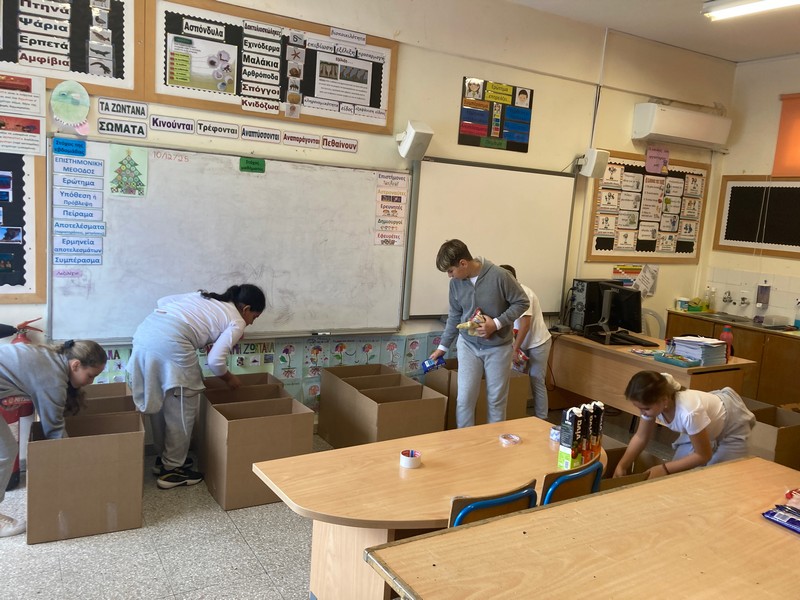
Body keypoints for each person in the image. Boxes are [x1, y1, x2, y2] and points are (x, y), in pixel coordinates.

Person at [127, 284, 265, 490]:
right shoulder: (236, 320)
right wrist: (229, 378)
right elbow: (215, 361)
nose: (251, 323)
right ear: (246, 309)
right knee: (183, 407)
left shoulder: (205, 298)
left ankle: (164, 460)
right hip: (172, 342)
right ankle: (172, 470)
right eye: (254, 317)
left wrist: (202, 328)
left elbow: (163, 302)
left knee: (161, 398)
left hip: (146, 333)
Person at [0, 339, 107, 537]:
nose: (91, 382)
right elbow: (54, 431)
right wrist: (78, 471)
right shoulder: (53, 380)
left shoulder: (51, 358)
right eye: (90, 375)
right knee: (5, 452)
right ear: (76, 365)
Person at [429, 240, 529, 428]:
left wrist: (496, 324)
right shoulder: (456, 284)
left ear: (463, 263)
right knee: (464, 399)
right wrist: (442, 347)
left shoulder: (500, 276)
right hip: (468, 345)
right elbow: (455, 315)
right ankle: (466, 441)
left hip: (498, 348)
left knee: (496, 400)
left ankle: (493, 442)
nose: (450, 276)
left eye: (450, 270)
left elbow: (522, 302)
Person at [613, 371, 755, 479]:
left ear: (664, 401)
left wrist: (663, 469)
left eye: (645, 409)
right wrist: (622, 465)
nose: (642, 413)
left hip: (732, 425)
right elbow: (641, 437)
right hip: (704, 425)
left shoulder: (689, 412)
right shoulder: (654, 402)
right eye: (639, 408)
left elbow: (703, 455)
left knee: (716, 477)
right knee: (679, 475)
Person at [499, 265, 552, 420]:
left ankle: (542, 419)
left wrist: (514, 349)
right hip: (520, 343)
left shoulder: (524, 293)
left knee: (536, 380)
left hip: (538, 343)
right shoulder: (504, 294)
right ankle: (518, 416)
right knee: (518, 381)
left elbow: (525, 325)